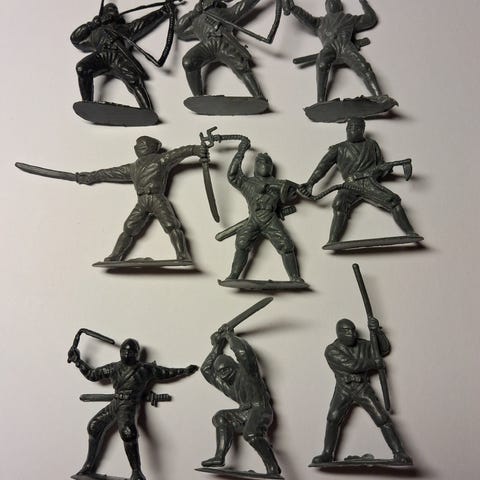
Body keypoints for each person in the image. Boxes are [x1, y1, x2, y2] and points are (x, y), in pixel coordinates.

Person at [68, 338, 198, 480]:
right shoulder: (113, 368)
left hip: (129, 404)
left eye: (130, 352)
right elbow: (92, 375)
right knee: (94, 426)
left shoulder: (145, 369)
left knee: (128, 432)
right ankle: (88, 466)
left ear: (137, 354)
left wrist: (184, 371)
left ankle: (136, 472)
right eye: (124, 351)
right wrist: (78, 362)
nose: (126, 354)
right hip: (115, 402)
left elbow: (166, 372)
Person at [76, 136, 208, 261]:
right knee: (129, 228)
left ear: (152, 147)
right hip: (142, 201)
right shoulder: (133, 167)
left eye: (142, 144)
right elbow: (110, 173)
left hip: (157, 198)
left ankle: (182, 254)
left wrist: (195, 149)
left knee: (171, 225)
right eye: (138, 145)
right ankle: (115, 255)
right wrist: (91, 177)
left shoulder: (161, 159)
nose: (138, 147)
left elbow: (179, 153)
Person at [299, 117, 420, 245]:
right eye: (350, 128)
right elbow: (322, 167)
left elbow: (380, 165)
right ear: (346, 129)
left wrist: (385, 169)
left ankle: (410, 232)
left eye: (357, 128)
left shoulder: (372, 145)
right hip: (350, 184)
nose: (353, 130)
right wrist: (310, 182)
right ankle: (333, 240)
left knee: (393, 201)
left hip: (369, 182)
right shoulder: (338, 148)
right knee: (339, 204)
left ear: (363, 129)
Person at [313, 317, 411, 464]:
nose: (352, 334)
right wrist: (374, 363)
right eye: (347, 331)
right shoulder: (332, 350)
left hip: (362, 387)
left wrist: (377, 332)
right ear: (339, 333)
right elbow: (352, 365)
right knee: (333, 418)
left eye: (353, 331)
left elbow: (383, 349)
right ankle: (327, 453)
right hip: (344, 389)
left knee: (382, 418)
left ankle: (399, 452)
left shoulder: (363, 345)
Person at [201, 325, 281, 475]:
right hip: (244, 413)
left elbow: (244, 353)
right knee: (220, 416)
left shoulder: (248, 374)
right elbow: (205, 369)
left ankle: (273, 469)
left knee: (251, 434)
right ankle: (219, 457)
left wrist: (230, 336)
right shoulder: (225, 384)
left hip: (260, 409)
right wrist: (217, 346)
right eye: (220, 373)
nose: (223, 375)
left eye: (226, 370)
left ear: (235, 366)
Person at [222, 134, 303, 282]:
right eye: (260, 162)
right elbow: (233, 176)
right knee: (242, 243)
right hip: (254, 219)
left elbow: (294, 192)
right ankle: (233, 276)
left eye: (268, 162)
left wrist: (302, 190)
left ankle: (295, 277)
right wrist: (241, 152)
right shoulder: (247, 183)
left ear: (271, 167)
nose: (264, 164)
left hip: (271, 220)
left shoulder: (280, 185)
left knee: (286, 246)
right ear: (255, 166)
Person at [71, 3, 171, 109]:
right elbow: (75, 39)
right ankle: (88, 104)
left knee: (134, 80)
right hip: (101, 55)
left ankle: (147, 110)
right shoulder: (95, 32)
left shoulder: (125, 28)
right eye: (109, 10)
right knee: (82, 68)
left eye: (115, 10)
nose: (113, 12)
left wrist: (163, 11)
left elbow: (145, 21)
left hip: (119, 57)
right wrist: (92, 25)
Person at [283, 0, 381, 102]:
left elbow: (371, 19)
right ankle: (320, 101)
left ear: (340, 6)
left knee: (364, 67)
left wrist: (363, 2)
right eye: (328, 1)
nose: (332, 2)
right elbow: (306, 18)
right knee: (321, 64)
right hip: (329, 48)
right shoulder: (320, 22)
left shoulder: (349, 19)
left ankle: (379, 96)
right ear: (326, 7)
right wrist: (294, 8)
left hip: (346, 47)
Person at [175, 0, 265, 98]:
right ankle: (198, 98)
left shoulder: (225, 12)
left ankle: (258, 97)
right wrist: (194, 13)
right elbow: (178, 30)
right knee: (188, 62)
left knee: (241, 67)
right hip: (207, 45)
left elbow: (244, 5)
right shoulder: (196, 22)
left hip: (223, 42)